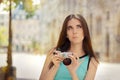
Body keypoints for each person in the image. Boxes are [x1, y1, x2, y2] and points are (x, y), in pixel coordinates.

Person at [39, 14, 99, 80]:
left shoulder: (92, 61)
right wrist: (55, 67)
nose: (74, 32)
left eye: (78, 27)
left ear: (85, 31)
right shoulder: (53, 53)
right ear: (66, 34)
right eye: (70, 28)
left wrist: (72, 72)